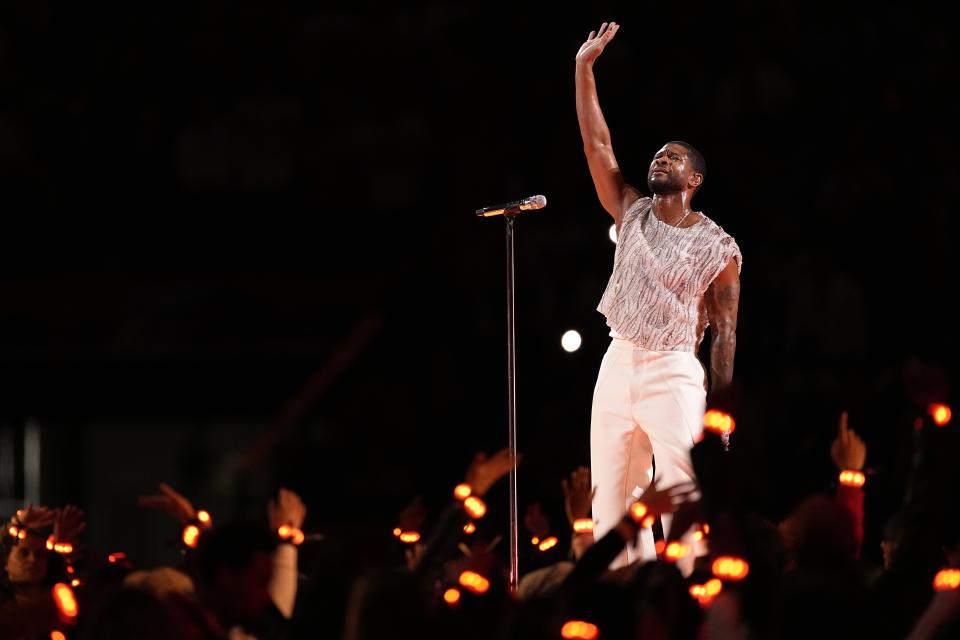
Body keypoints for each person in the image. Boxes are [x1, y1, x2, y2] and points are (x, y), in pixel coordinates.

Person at [575, 21, 742, 567]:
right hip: (619, 358)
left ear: (695, 179)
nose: (660, 160)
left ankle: (697, 595)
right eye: (657, 155)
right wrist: (584, 69)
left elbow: (724, 333)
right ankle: (626, 597)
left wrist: (720, 413)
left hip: (674, 368)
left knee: (685, 498)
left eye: (673, 158)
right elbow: (597, 143)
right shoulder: (631, 210)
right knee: (612, 503)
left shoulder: (719, 246)